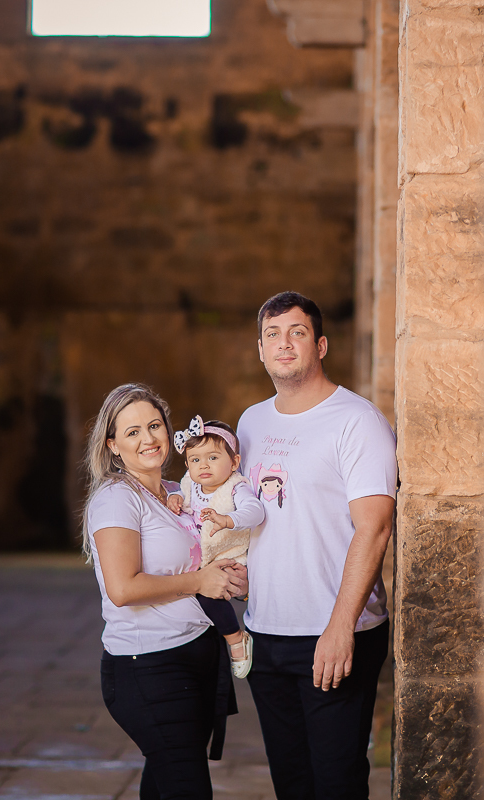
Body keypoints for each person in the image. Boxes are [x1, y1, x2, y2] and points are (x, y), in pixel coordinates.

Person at [237, 292, 398, 800]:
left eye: (297, 332)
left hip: (333, 633)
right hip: (266, 633)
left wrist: (340, 626)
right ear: (260, 350)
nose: (283, 343)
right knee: (292, 784)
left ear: (321, 344)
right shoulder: (249, 423)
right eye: (272, 335)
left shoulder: (357, 421)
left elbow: (375, 528)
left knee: (337, 784)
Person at [82, 383, 248, 800]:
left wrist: (229, 577)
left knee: (164, 784)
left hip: (196, 655)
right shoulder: (117, 498)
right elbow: (122, 588)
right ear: (113, 445)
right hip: (148, 668)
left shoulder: (179, 493)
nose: (148, 438)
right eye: (133, 431)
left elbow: (205, 560)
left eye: (154, 425)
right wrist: (199, 580)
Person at [167, 415, 265, 678]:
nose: (203, 466)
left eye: (213, 457)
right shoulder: (190, 484)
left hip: (229, 556)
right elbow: (181, 493)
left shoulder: (235, 487)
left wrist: (228, 519)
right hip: (202, 559)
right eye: (195, 460)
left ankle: (236, 638)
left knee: (209, 597)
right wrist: (175, 496)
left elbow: (256, 511)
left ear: (234, 462)